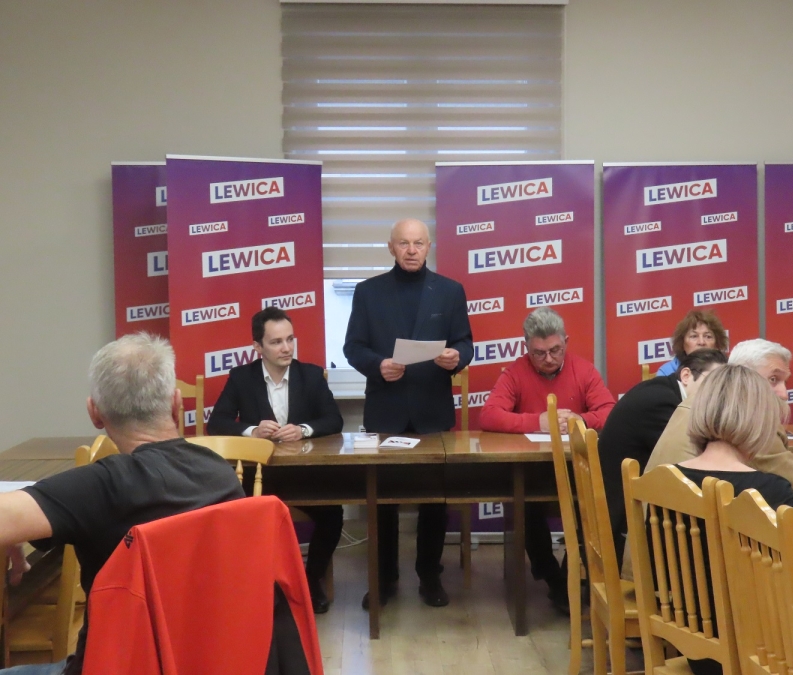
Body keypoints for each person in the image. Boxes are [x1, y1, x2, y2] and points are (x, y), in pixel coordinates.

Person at [0, 333, 245, 675]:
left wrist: (14, 528)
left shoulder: (103, 486)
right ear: (176, 404)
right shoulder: (222, 474)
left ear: (95, 413)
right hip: (206, 663)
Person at [675, 364, 793, 675]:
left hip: (697, 648)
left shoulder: (666, 480)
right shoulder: (771, 491)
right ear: (761, 421)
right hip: (763, 658)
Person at [343, 217, 473, 609]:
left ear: (429, 246)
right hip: (386, 411)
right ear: (391, 247)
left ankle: (430, 576)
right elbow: (353, 347)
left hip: (433, 412)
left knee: (435, 502)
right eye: (404, 243)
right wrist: (378, 364)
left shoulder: (450, 291)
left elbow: (465, 343)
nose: (412, 250)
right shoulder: (368, 292)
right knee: (382, 502)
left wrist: (456, 357)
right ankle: (384, 579)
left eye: (418, 243)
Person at [207, 306, 344, 614]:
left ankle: (311, 580)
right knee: (238, 517)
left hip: (303, 475)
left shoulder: (311, 375)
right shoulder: (241, 378)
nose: (286, 348)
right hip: (259, 476)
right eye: (276, 342)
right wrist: (252, 431)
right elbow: (217, 423)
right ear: (258, 347)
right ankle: (258, 584)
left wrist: (303, 429)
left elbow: (333, 419)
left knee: (333, 513)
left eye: (290, 339)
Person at [480, 307, 616, 613]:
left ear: (566, 342)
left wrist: (581, 420)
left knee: (593, 504)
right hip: (532, 470)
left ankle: (574, 573)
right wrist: (538, 422)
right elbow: (488, 415)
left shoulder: (584, 370)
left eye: (555, 350)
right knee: (525, 506)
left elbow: (609, 411)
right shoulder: (515, 372)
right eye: (539, 353)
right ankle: (552, 577)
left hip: (576, 467)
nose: (549, 359)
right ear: (526, 347)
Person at [646, 339, 793, 515]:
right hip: (698, 529)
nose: (784, 394)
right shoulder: (747, 419)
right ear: (742, 377)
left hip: (658, 526)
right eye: (773, 379)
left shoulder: (696, 402)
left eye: (785, 382)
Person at [599, 348, 727, 566]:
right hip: (626, 525)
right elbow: (697, 455)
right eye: (713, 384)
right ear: (686, 375)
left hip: (621, 504)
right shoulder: (664, 403)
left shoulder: (662, 390)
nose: (718, 395)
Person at [655, 309, 728, 376]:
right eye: (694, 336)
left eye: (708, 336)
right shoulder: (667, 372)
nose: (701, 342)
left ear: (717, 343)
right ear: (682, 343)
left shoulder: (726, 370)